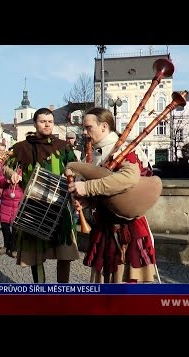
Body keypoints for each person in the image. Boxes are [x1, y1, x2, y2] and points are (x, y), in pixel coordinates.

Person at [67, 107, 157, 283]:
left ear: (104, 126)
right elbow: (104, 190)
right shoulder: (95, 153)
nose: (84, 133)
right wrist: (87, 202)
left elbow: (128, 179)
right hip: (104, 226)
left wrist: (87, 188)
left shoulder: (125, 148)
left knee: (127, 293)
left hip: (127, 228)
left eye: (88, 127)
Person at [3, 107, 80, 283]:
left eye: (50, 121)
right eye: (42, 121)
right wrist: (11, 174)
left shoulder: (63, 147)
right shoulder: (22, 147)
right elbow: (6, 165)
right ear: (35, 123)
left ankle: (63, 292)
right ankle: (41, 292)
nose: (47, 124)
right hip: (33, 204)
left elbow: (75, 167)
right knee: (35, 256)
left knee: (65, 252)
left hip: (59, 204)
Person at [0, 165, 23, 258]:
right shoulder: (7, 166)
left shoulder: (26, 167)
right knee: (4, 227)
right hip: (5, 202)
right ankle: (6, 245)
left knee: (16, 229)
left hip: (18, 204)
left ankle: (15, 248)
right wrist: (7, 180)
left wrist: (21, 179)